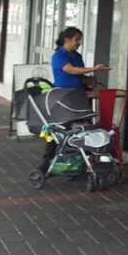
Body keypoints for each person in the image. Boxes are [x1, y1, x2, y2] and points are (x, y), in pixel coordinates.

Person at [41, 27, 108, 173]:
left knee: (84, 130)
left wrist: (89, 81)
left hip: (80, 96)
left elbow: (79, 75)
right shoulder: (59, 55)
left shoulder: (77, 56)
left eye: (80, 39)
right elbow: (70, 70)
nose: (79, 43)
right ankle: (45, 163)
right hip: (64, 99)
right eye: (77, 39)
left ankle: (82, 162)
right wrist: (93, 69)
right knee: (59, 131)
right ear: (67, 39)